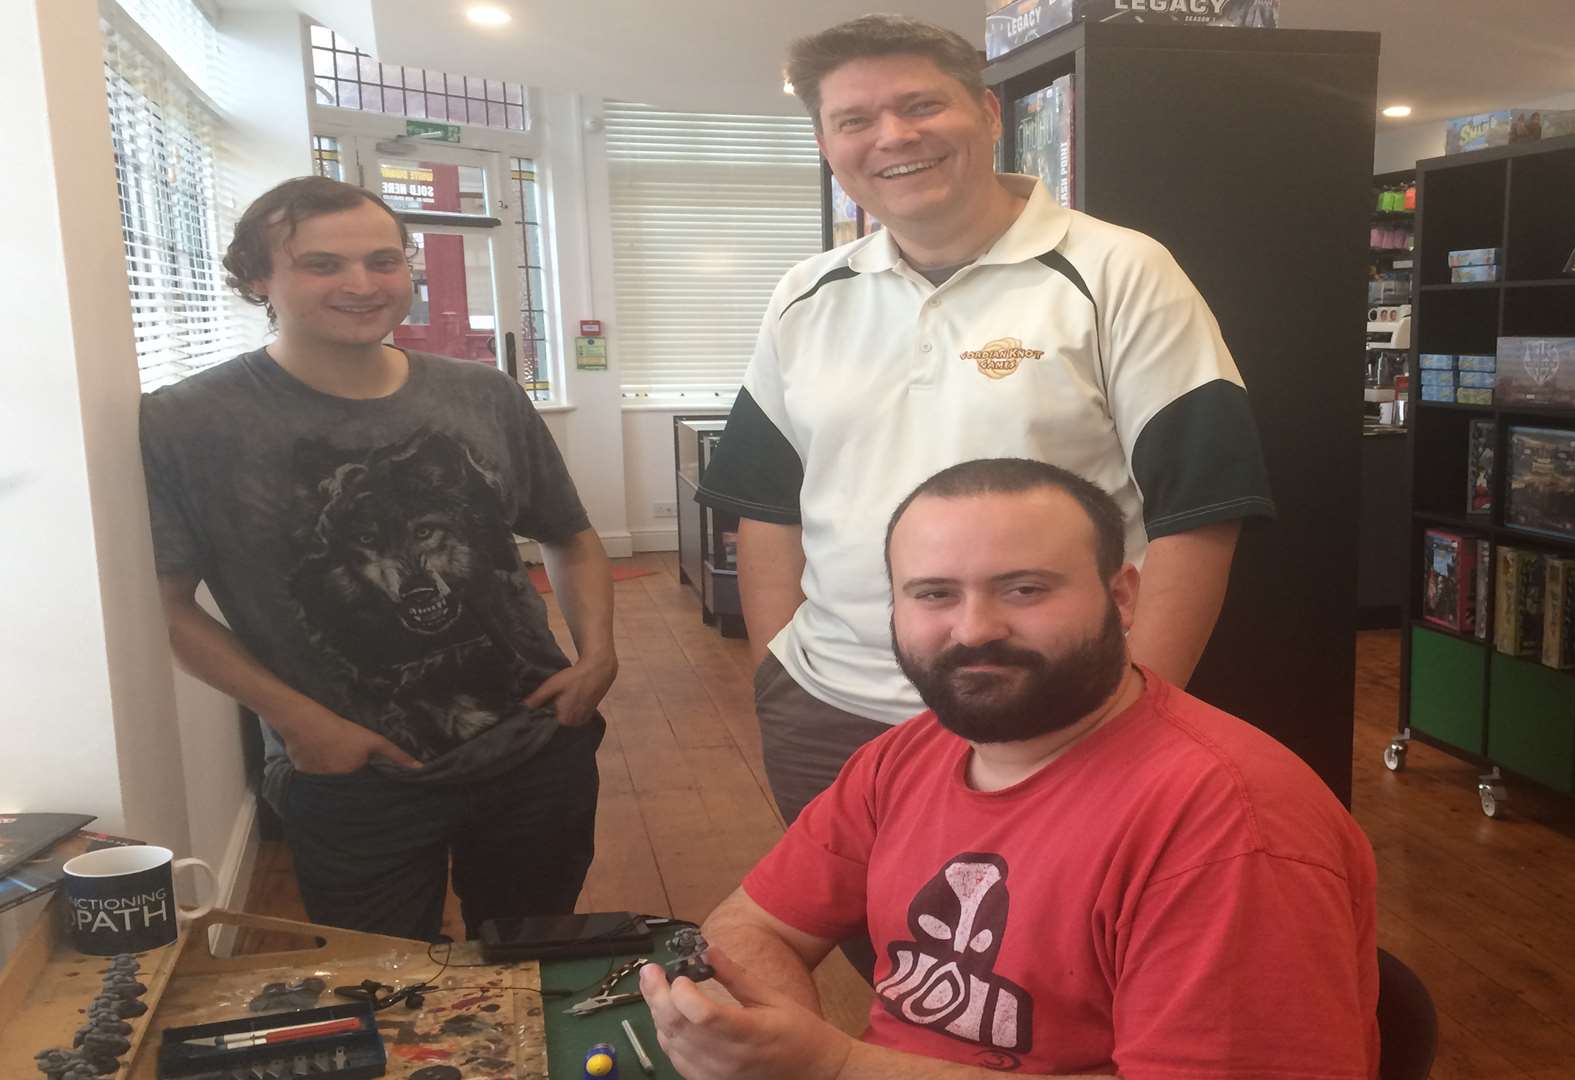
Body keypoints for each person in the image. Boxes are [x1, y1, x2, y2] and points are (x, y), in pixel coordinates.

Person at [696, 14, 1277, 835]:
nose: (893, 136)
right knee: (888, 952)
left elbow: (1201, 512)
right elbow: (766, 503)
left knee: (1040, 956)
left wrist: (1133, 722)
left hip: (1051, 715)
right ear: (827, 143)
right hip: (829, 714)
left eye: (921, 105)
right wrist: (773, 674)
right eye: (854, 120)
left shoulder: (1120, 271)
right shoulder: (804, 293)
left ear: (988, 113)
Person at [642, 459, 1378, 1079]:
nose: (974, 629)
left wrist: (835, 1068)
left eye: (1025, 589)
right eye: (934, 594)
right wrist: (775, 1038)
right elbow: (747, 928)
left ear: (1122, 597)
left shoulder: (1229, 823)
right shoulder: (906, 758)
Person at [139, 176, 617, 940]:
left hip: (534, 745)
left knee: (532, 961)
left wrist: (597, 658)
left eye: (383, 261)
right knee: (383, 987)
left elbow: (570, 534)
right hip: (354, 774)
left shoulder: (482, 394)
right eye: (322, 265)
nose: (361, 285)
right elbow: (161, 606)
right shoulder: (189, 422)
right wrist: (299, 722)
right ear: (259, 279)